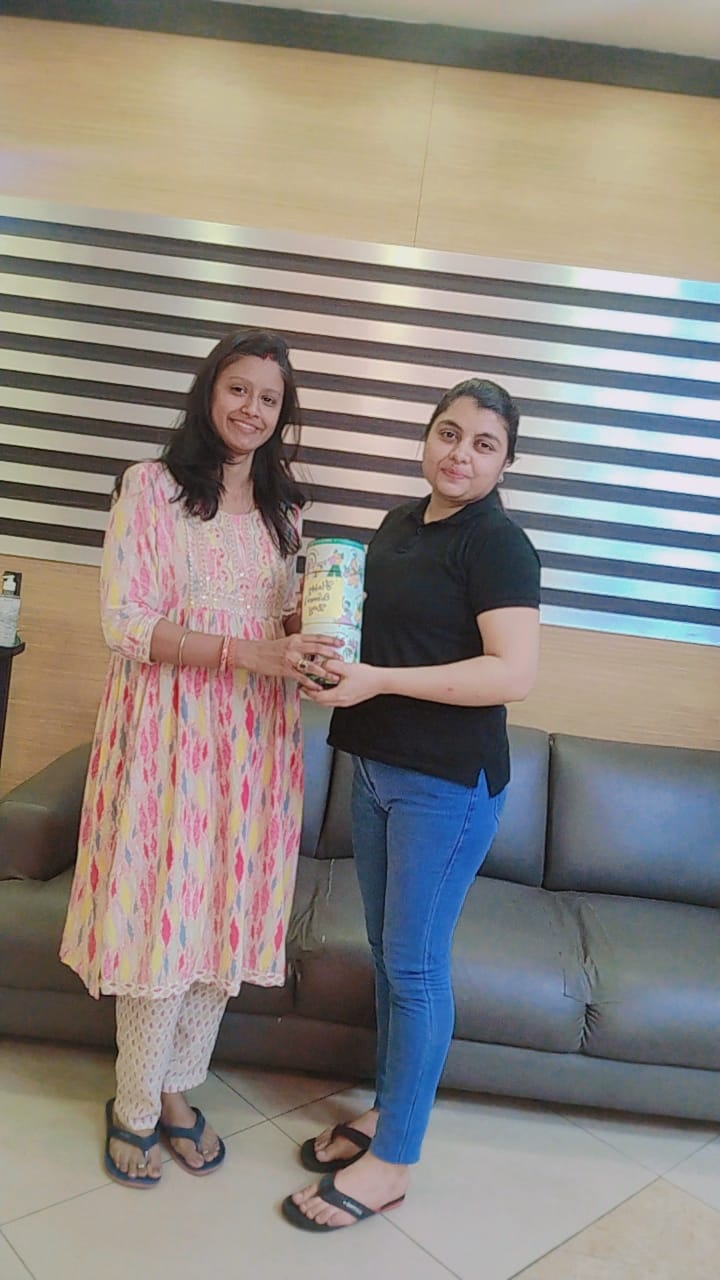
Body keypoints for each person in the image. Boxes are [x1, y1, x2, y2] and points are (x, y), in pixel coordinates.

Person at [60, 329, 340, 1188]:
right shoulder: (150, 488)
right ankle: (135, 1103)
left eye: (270, 398)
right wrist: (245, 652)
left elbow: (278, 620)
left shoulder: (285, 510)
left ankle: (179, 1087)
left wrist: (310, 638)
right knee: (161, 913)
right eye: (238, 389)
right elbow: (126, 624)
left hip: (254, 742)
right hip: (166, 735)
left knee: (224, 908)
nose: (252, 409)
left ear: (283, 413)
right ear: (208, 392)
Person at [282, 377, 541, 1232]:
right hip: (372, 768)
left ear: (505, 462)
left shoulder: (500, 546)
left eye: (483, 444)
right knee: (392, 961)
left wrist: (378, 681)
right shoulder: (397, 525)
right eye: (449, 433)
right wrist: (321, 647)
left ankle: (395, 1161)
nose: (460, 454)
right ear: (427, 437)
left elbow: (512, 673)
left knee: (418, 966)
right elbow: (373, 639)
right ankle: (387, 1113)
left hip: (446, 785)